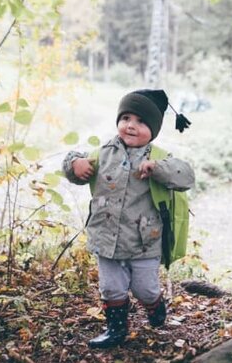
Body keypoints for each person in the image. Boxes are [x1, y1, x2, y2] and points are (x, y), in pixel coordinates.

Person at [62, 89, 194, 349]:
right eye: (126, 118)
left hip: (145, 241)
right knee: (111, 288)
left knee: (144, 288)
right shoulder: (103, 154)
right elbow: (73, 163)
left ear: (153, 129)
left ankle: (155, 304)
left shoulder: (159, 158)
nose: (131, 126)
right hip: (106, 238)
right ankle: (116, 329)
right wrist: (74, 164)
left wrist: (158, 170)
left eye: (141, 122)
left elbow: (186, 176)